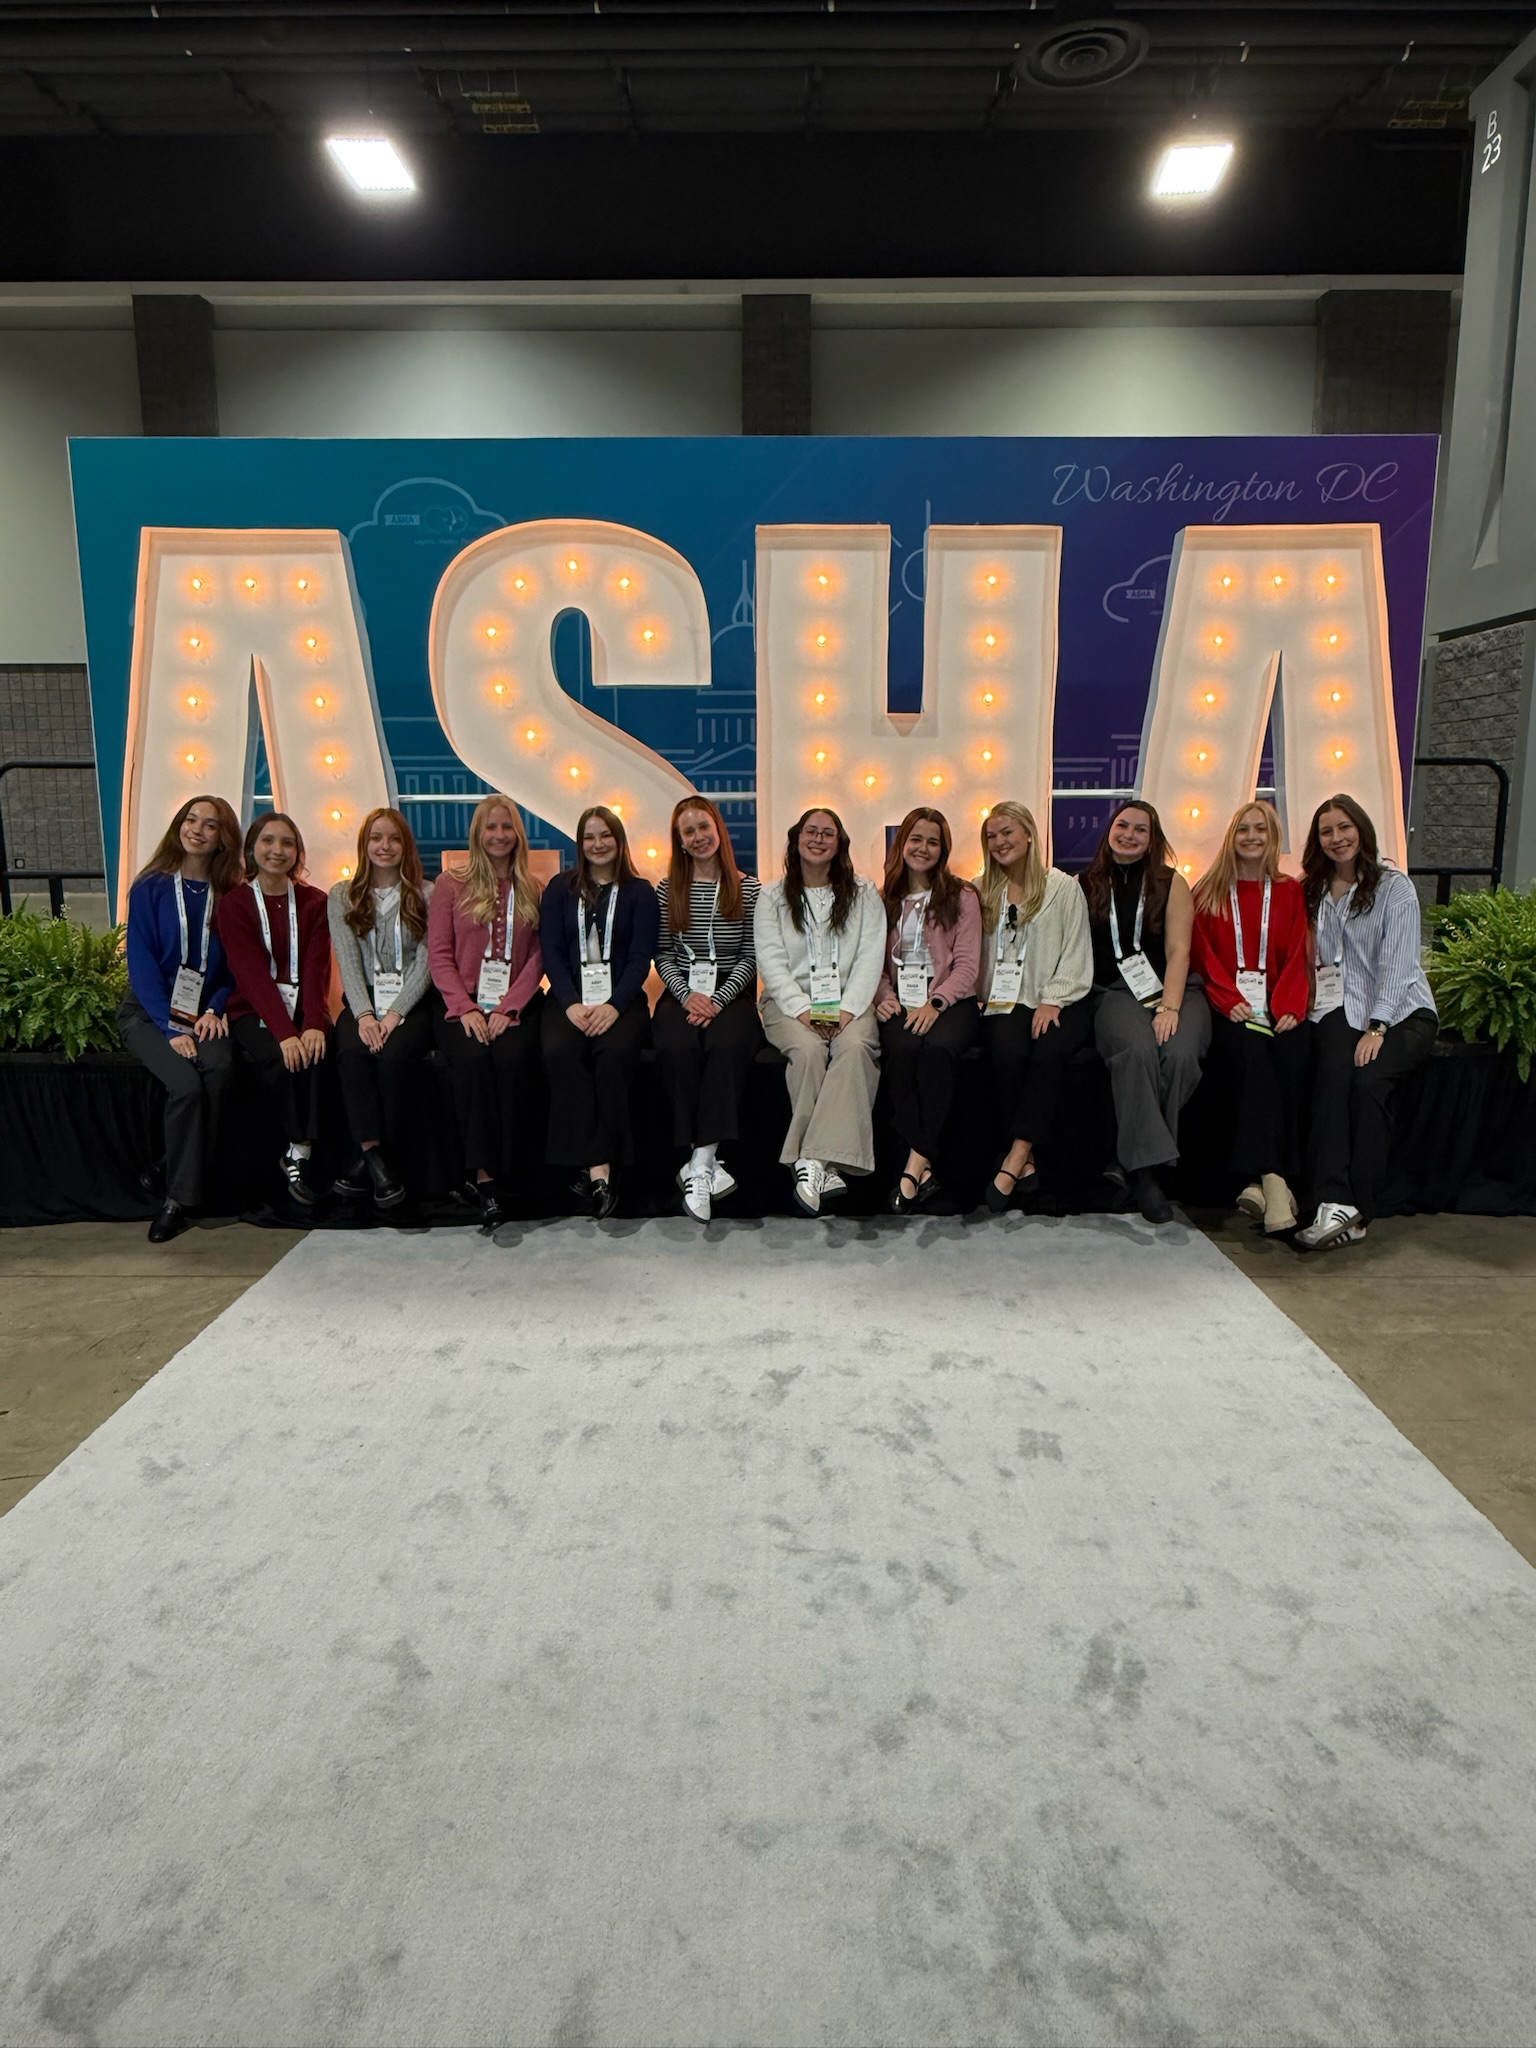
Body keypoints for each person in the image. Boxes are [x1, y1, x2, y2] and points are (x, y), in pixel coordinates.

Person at [1295, 793, 1437, 1251]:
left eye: (1344, 827)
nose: (1337, 838)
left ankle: (1361, 1208)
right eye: (1326, 831)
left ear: (1362, 830)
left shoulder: (1395, 888)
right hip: (1338, 1004)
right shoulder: (1311, 890)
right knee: (1332, 1077)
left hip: (1402, 1011)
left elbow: (1399, 964)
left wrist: (1378, 1027)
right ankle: (1331, 1200)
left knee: (1368, 1083)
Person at [1079, 799, 1211, 1225]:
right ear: (1109, 831)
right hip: (1115, 993)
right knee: (1136, 1051)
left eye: (1141, 829)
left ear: (1153, 840)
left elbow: (1179, 951)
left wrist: (1170, 1007)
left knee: (1181, 1052)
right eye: (1123, 825)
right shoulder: (1083, 884)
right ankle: (1148, 1176)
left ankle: (1131, 1161)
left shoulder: (1172, 882)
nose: (1130, 835)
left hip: (1176, 990)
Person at [119, 794, 243, 1243]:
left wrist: (215, 1008)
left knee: (221, 1067)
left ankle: (170, 1166)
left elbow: (234, 969)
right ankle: (177, 1199)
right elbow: (142, 966)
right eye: (191, 820)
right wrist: (171, 1029)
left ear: (223, 839)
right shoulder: (150, 887)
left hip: (203, 1013)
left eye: (210, 825)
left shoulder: (231, 894)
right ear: (178, 825)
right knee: (187, 1085)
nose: (197, 830)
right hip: (149, 1014)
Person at [755, 807, 885, 1216]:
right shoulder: (772, 896)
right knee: (809, 1051)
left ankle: (811, 1161)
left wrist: (847, 1010)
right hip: (788, 1004)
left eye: (828, 833)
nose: (818, 839)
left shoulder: (864, 893)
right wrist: (802, 1010)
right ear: (796, 840)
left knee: (857, 1048)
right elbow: (771, 962)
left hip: (850, 1002)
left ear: (840, 843)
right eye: (811, 831)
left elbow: (870, 957)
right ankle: (824, 1164)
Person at [1191, 801, 1312, 1234]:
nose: (1252, 836)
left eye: (1261, 829)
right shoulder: (1207, 892)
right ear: (1231, 836)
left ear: (1273, 837)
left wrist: (1291, 1005)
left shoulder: (1290, 892)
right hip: (1229, 1007)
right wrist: (1228, 999)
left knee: (1293, 1055)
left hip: (1278, 1004)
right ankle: (1275, 1180)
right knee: (1252, 1054)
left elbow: (1298, 953)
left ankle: (1258, 1182)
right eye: (1243, 828)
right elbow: (1202, 956)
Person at [427, 794, 544, 1232]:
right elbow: (439, 954)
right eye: (491, 827)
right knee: (474, 1060)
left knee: (513, 1060)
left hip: (516, 1004)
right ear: (477, 833)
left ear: (518, 834)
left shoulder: (533, 888)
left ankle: (512, 1172)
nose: (499, 835)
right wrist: (465, 1008)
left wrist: (510, 1008)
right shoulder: (450, 884)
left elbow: (538, 959)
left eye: (507, 826)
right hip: (462, 1003)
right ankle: (484, 1178)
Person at [539, 804, 659, 1219]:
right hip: (568, 999)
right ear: (580, 843)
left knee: (614, 1055)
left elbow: (640, 959)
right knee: (560, 1051)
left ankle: (599, 1168)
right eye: (589, 837)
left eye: (605, 835)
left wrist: (613, 1006)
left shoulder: (640, 892)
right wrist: (571, 1003)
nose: (598, 844)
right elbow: (552, 952)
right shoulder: (560, 888)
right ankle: (600, 1166)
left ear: (619, 840)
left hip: (622, 1001)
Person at [973, 801, 1094, 1213]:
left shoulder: (1063, 887)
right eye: (991, 836)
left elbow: (1076, 952)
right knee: (1009, 1053)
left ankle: (1017, 1153)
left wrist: (1052, 998)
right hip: (1004, 999)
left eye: (1007, 832)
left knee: (1050, 1052)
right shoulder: (981, 890)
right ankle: (1025, 1163)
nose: (999, 842)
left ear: (1028, 834)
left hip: (1064, 997)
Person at [653, 796, 764, 1223]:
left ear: (718, 830)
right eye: (689, 831)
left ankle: (701, 1161)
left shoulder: (749, 889)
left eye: (704, 827)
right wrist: (686, 996)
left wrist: (718, 999)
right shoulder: (667, 890)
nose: (699, 837)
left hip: (731, 995)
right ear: (679, 841)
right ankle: (698, 1158)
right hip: (683, 992)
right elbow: (663, 953)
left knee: (728, 1045)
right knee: (677, 1046)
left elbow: (750, 956)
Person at [216, 812, 333, 1206]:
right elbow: (251, 974)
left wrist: (313, 1023)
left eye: (287, 842)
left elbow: (317, 968)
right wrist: (285, 1033)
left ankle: (305, 1151)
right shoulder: (235, 904)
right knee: (281, 1059)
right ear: (252, 848)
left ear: (297, 852)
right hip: (252, 1009)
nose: (277, 850)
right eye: (268, 841)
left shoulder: (315, 902)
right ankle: (298, 1148)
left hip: (304, 1005)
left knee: (318, 1051)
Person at [327, 807, 436, 1212]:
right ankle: (376, 1158)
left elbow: (426, 963)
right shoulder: (343, 894)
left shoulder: (427, 893)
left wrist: (393, 1016)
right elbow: (348, 962)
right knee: (353, 1053)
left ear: (406, 846)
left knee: (394, 1057)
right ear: (364, 844)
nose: (384, 846)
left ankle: (367, 1164)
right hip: (363, 1002)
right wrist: (365, 1016)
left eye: (393, 839)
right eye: (376, 838)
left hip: (411, 1004)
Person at [873, 807, 981, 1210]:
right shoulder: (883, 898)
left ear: (943, 850)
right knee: (901, 1052)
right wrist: (884, 996)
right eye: (916, 839)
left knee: (936, 1052)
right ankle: (923, 1170)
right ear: (902, 844)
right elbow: (873, 962)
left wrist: (936, 1003)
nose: (923, 848)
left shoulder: (963, 896)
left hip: (950, 1000)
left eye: (933, 842)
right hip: (900, 999)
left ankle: (916, 1162)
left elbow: (967, 965)